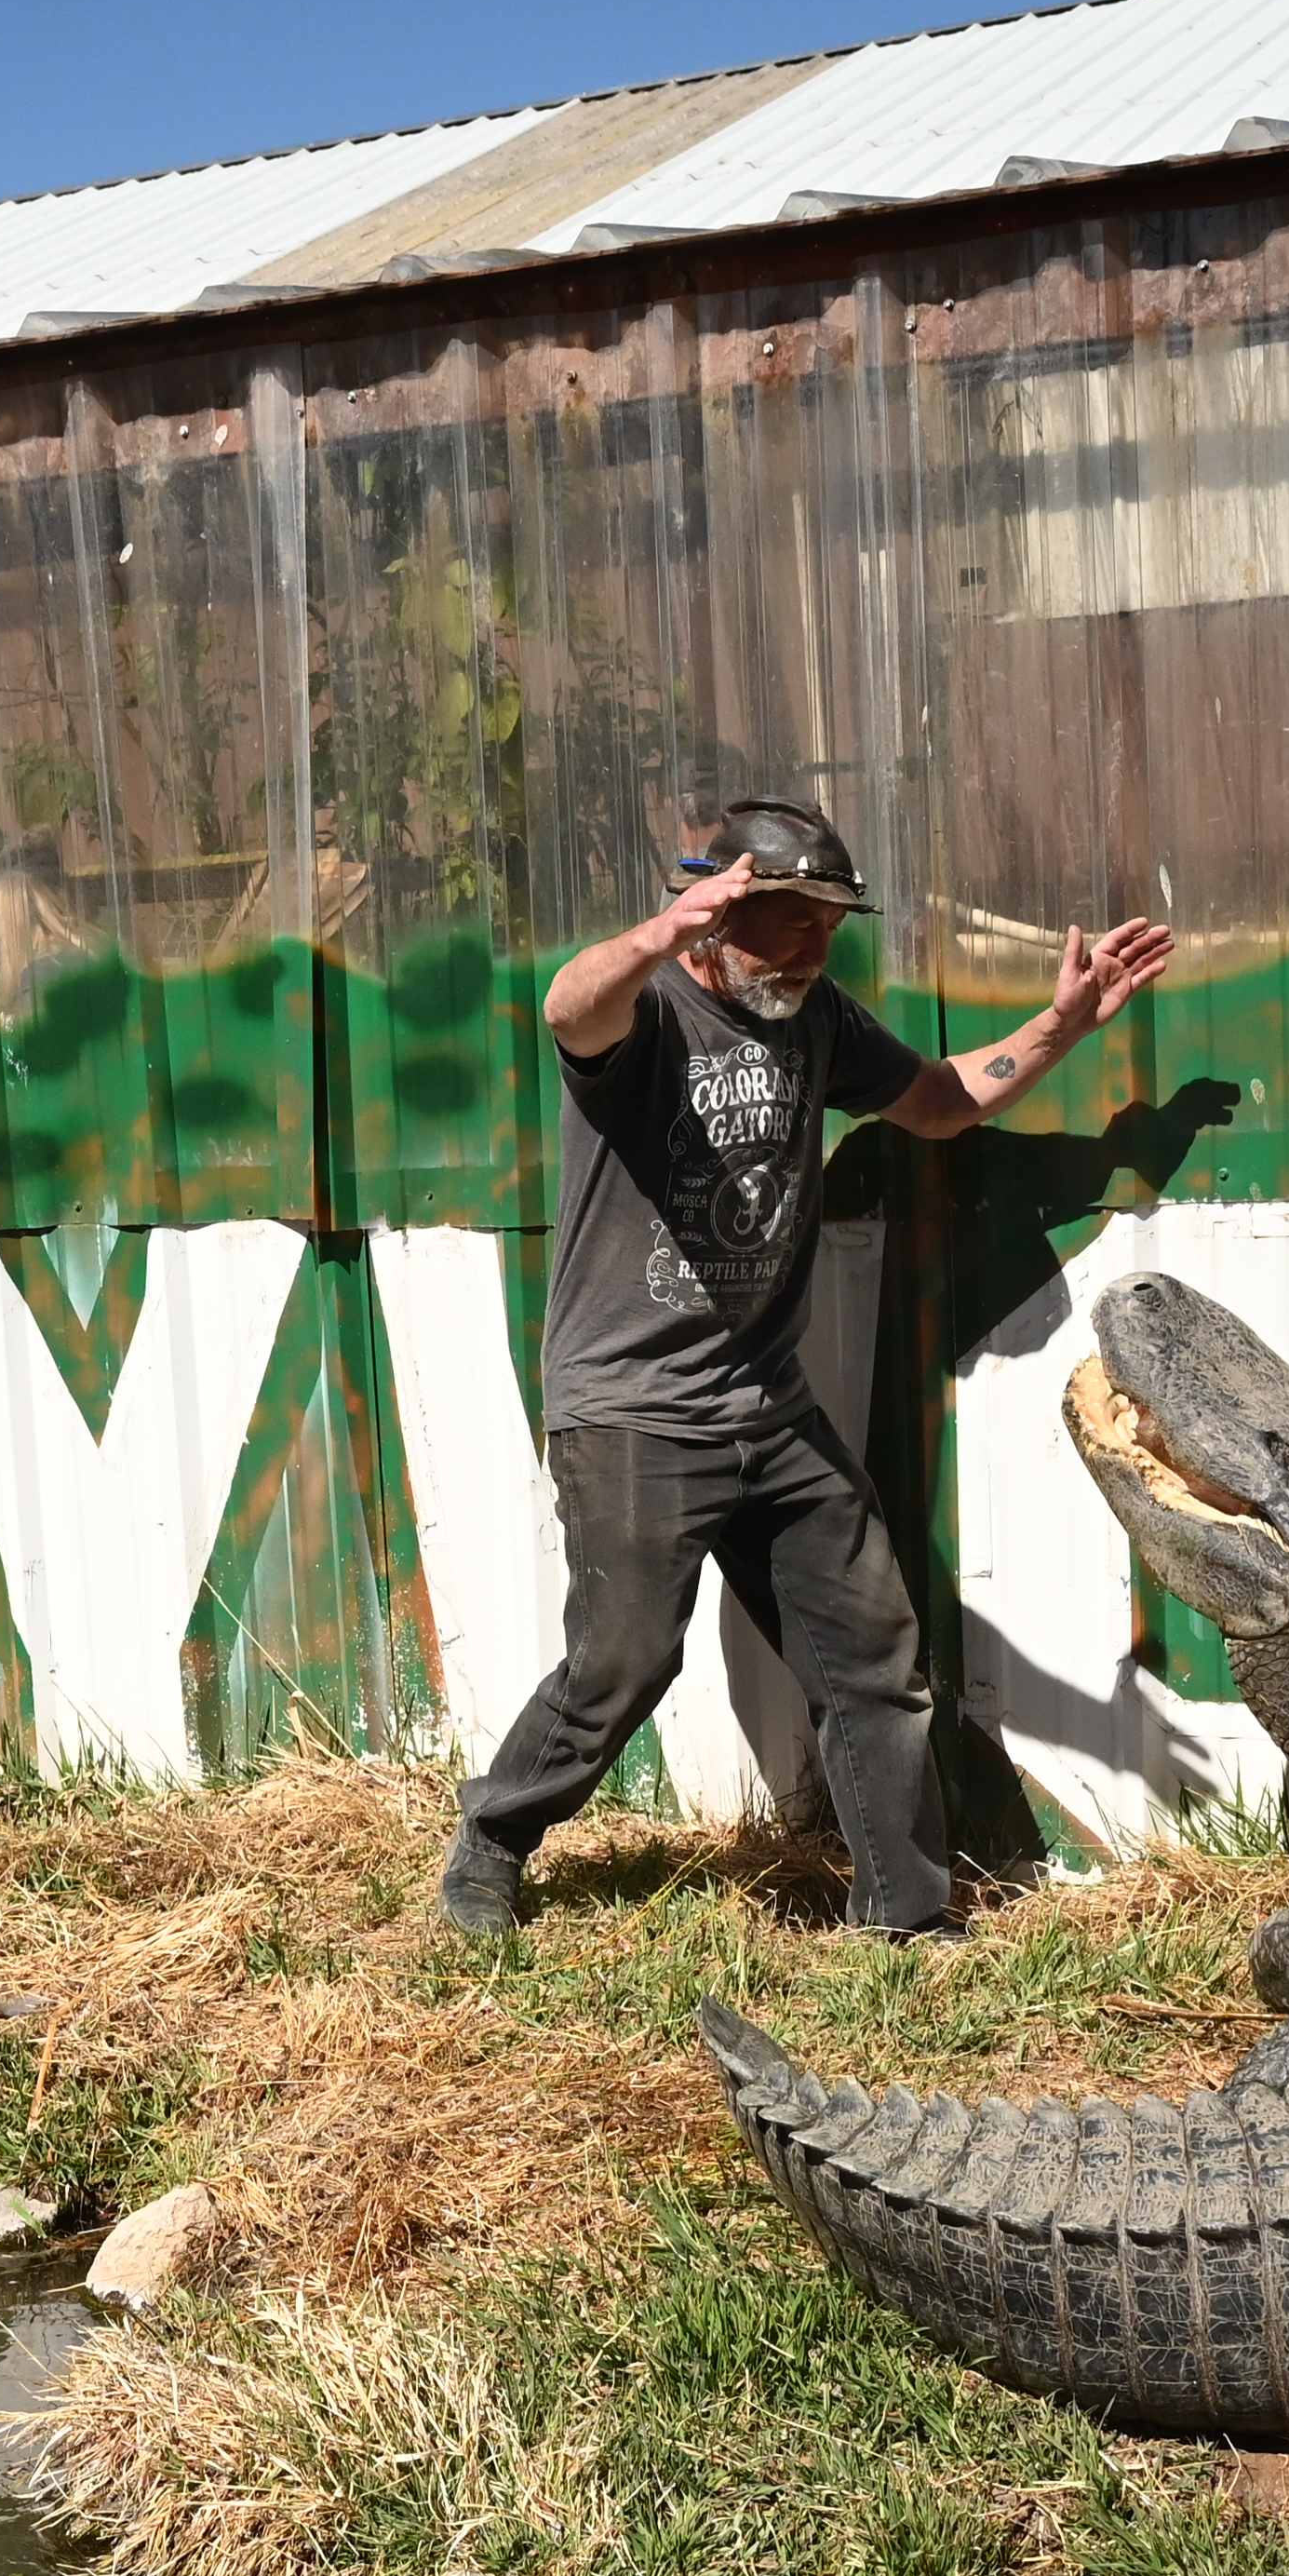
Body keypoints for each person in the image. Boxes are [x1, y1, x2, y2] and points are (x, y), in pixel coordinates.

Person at [440, 798, 1177, 1939]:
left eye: (828, 931)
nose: (812, 952)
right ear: (720, 917)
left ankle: (903, 1918)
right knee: (624, 1665)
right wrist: (655, 934)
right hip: (634, 1412)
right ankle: (493, 1836)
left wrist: (1062, 1026)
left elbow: (938, 1102)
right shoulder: (645, 1016)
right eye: (791, 926)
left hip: (769, 1409)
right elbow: (567, 1006)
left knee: (871, 1656)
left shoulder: (815, 1016)